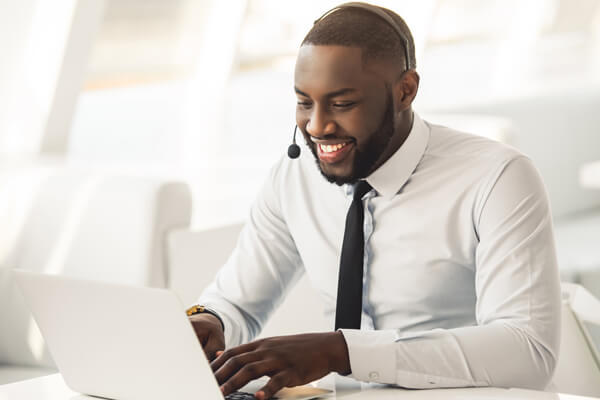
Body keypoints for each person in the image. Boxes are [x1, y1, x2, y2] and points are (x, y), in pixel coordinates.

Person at [187, 3, 561, 399]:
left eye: (342, 104)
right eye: (303, 102)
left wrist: (342, 351)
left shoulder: (497, 177)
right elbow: (236, 303)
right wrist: (211, 321)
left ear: (406, 90)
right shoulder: (293, 175)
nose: (316, 126)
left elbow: (528, 352)